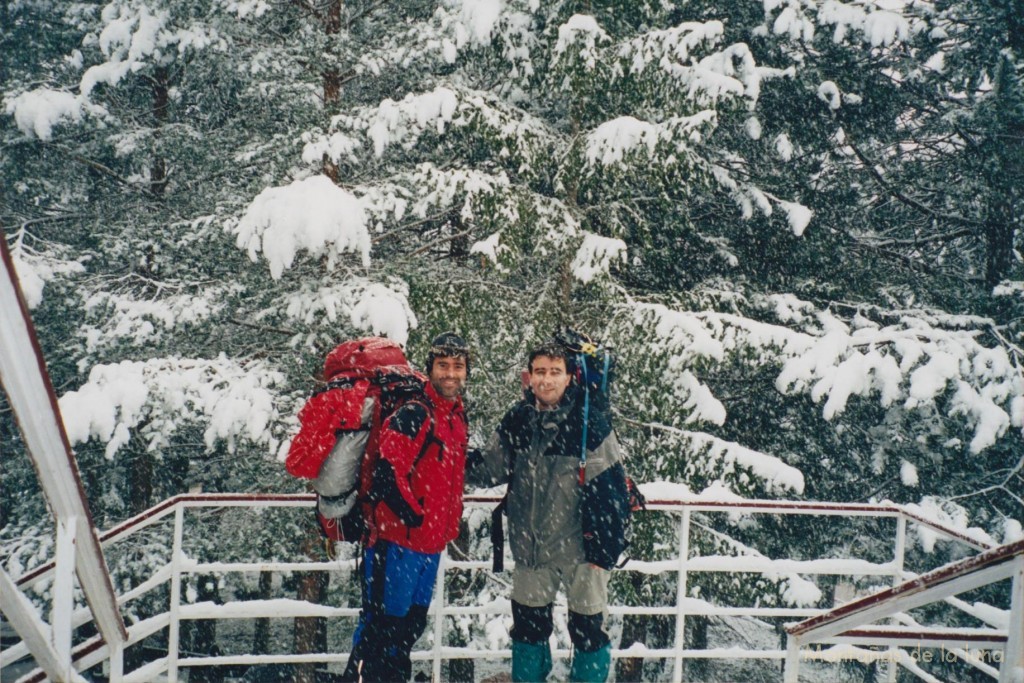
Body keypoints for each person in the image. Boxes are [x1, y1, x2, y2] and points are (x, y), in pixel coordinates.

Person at [470, 339, 629, 683]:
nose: (546, 380)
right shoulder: (519, 419)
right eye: (540, 371)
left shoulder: (589, 423)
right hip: (532, 550)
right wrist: (447, 458)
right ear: (530, 376)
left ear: (570, 377)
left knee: (588, 633)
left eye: (555, 372)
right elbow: (489, 468)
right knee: (527, 631)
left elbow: (613, 489)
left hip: (584, 550)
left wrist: (605, 550)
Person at [342, 332, 470, 682]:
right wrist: (414, 515)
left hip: (429, 548)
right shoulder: (414, 412)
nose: (450, 374)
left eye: (457, 366)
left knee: (406, 631)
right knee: (382, 631)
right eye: (443, 365)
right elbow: (386, 472)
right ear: (430, 369)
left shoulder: (455, 417)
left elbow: (451, 470)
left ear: (466, 373)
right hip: (397, 545)